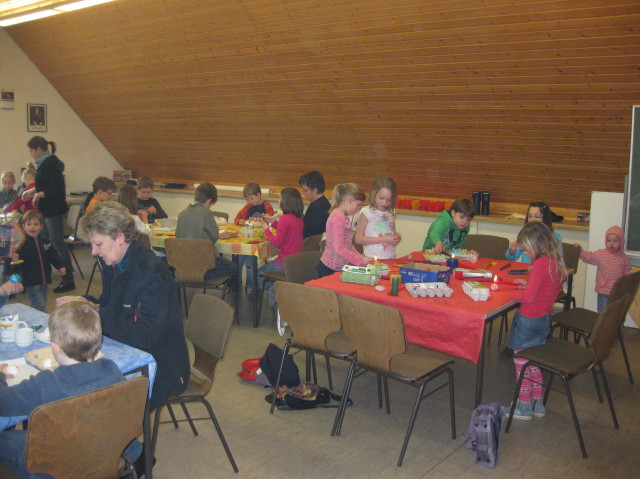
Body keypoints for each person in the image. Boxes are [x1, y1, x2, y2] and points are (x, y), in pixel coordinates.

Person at [0, 300, 141, 479]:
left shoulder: (44, 384)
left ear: (55, 347)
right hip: (106, 449)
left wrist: (1, 376)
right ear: (99, 342)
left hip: (56, 465)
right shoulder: (111, 369)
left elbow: (3, 404)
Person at [71, 201, 189, 410]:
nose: (93, 252)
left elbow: (146, 335)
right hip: (131, 348)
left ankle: (125, 432)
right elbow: (111, 307)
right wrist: (84, 302)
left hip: (161, 367)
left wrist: (96, 312)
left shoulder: (151, 273)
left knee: (90, 399)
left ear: (119, 237)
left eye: (98, 244)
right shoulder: (115, 263)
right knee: (75, 382)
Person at [503, 221, 566, 421]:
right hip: (543, 318)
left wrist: (512, 294)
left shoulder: (539, 264)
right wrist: (529, 284)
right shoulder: (554, 260)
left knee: (521, 362)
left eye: (527, 250)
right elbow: (547, 289)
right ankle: (537, 402)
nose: (525, 253)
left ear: (537, 246)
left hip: (528, 320)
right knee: (533, 362)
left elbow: (529, 298)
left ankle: (523, 406)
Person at [22, 136, 75, 293]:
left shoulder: (50, 163)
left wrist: (39, 194)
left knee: (58, 246)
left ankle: (68, 280)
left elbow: (57, 189)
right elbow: (44, 183)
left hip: (53, 210)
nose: (31, 154)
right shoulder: (45, 163)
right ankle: (44, 274)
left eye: (32, 151)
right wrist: (32, 191)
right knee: (43, 241)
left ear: (39, 149)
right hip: (46, 210)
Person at [176, 183, 236, 281]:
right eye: (211, 204)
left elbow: (178, 235)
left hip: (184, 260)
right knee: (232, 267)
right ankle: (201, 276)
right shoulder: (206, 213)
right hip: (203, 259)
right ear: (209, 201)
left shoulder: (182, 213)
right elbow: (214, 236)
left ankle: (190, 274)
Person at [12, 211, 66, 312]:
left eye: (36, 224)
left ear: (41, 226)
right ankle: (43, 320)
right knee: (40, 305)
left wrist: (60, 266)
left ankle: (33, 318)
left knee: (40, 303)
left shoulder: (45, 241)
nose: (32, 227)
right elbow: (16, 265)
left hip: (44, 279)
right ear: (23, 226)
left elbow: (53, 255)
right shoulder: (21, 244)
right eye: (29, 224)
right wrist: (15, 259)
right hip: (31, 280)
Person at [259, 187, 304, 308]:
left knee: (256, 274)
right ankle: (278, 294)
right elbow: (287, 231)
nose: (278, 200)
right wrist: (273, 222)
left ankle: (277, 291)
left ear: (286, 201)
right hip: (294, 262)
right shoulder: (298, 218)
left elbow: (277, 243)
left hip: (283, 263)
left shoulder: (285, 218)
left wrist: (267, 230)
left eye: (280, 198)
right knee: (270, 277)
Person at [317, 183, 373, 278]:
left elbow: (348, 245)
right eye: (358, 205)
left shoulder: (341, 216)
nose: (358, 209)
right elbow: (339, 248)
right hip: (329, 268)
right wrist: (360, 260)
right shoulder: (339, 218)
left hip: (336, 267)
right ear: (351, 199)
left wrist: (361, 258)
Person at [574, 226, 631, 312]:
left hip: (617, 292)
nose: (612, 243)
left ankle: (615, 321)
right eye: (609, 241)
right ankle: (602, 321)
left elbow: (627, 274)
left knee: (615, 312)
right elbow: (589, 257)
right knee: (602, 312)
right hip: (603, 291)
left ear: (621, 242)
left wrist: (626, 287)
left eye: (615, 241)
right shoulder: (601, 254)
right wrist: (580, 250)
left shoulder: (623, 258)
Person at [233, 183, 274, 292]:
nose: (250, 201)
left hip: (258, 240)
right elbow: (236, 219)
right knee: (238, 260)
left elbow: (271, 223)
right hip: (245, 239)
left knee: (250, 264)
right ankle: (236, 282)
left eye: (251, 198)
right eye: (248, 199)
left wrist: (264, 222)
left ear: (258, 195)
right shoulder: (248, 207)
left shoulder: (267, 206)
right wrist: (240, 221)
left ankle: (252, 286)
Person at [354, 176, 401, 259]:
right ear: (373, 194)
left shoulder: (391, 212)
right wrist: (385, 239)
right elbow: (358, 239)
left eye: (388, 200)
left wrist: (396, 238)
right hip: (372, 257)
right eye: (381, 198)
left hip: (390, 257)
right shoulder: (366, 212)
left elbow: (391, 236)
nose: (384, 202)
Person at [298, 170, 330, 238]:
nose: (303, 193)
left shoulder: (318, 207)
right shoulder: (321, 202)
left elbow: (307, 232)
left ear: (315, 190)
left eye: (305, 190)